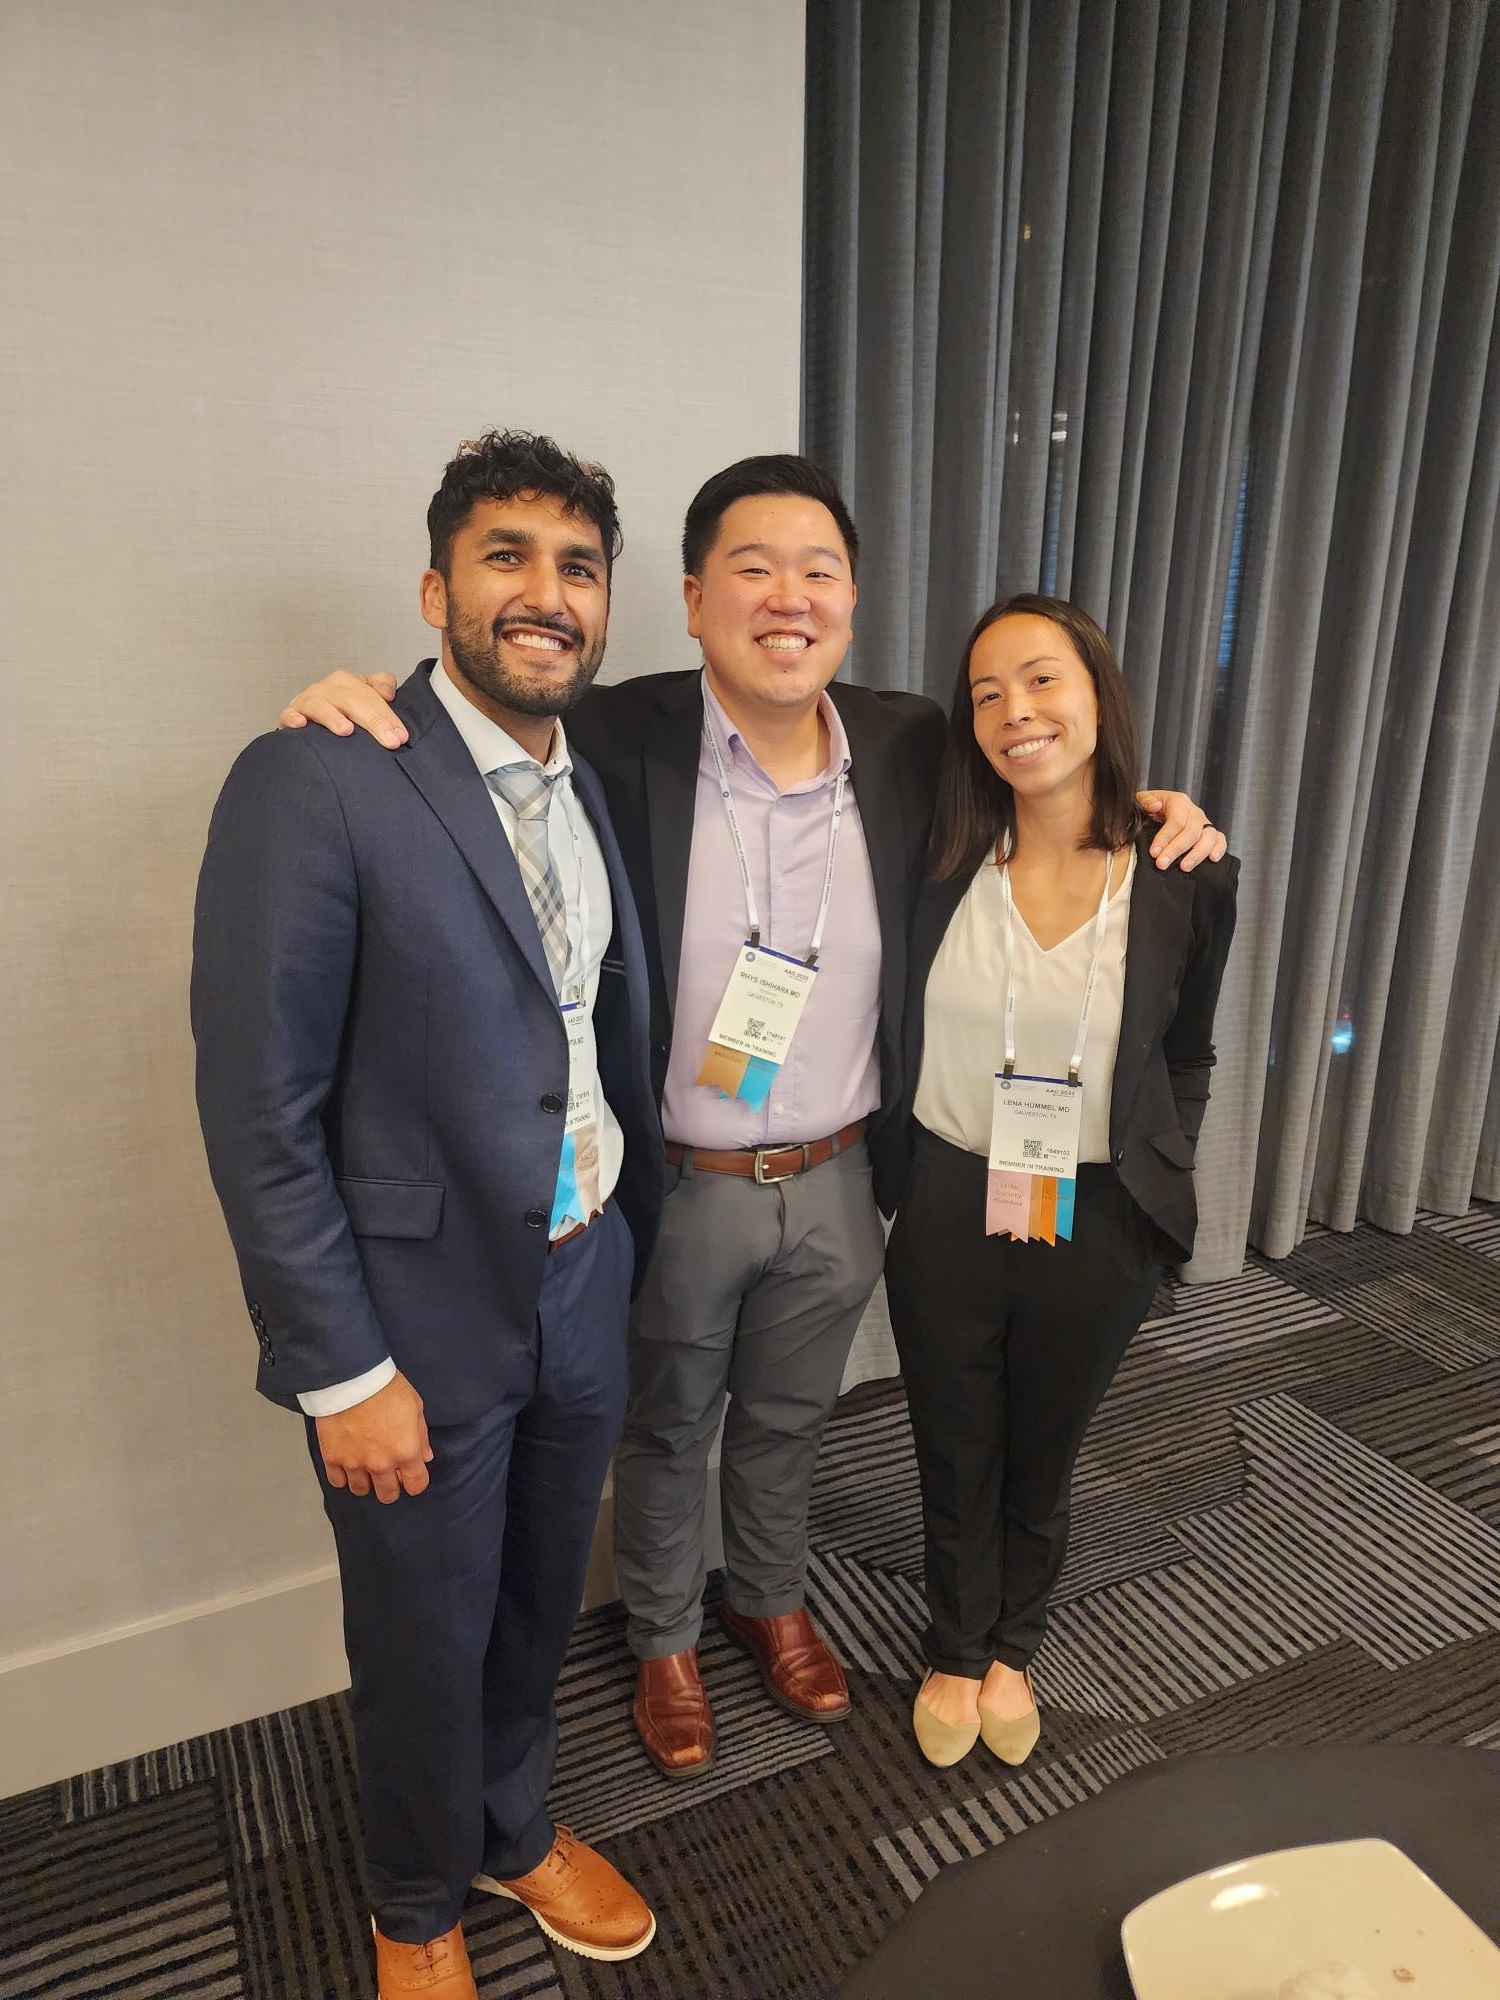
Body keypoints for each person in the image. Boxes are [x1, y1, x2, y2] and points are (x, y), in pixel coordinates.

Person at [279, 458, 1224, 1783]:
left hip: (840, 1174)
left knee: (791, 1414)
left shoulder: (911, 744)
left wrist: (1163, 809)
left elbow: (1051, 769)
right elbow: (478, 717)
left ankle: (770, 1598)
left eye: (818, 571)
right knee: (668, 1422)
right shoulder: (619, 735)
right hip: (680, 1176)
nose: (790, 597)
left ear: (851, 602)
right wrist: (361, 702)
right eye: (754, 568)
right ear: (692, 599)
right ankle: (664, 1635)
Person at [192, 432, 662, 1999]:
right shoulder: (318, 776)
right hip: (414, 1315)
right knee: (418, 1632)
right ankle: (413, 1904)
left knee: (539, 1598)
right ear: (434, 588)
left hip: (583, 1268)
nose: (546, 593)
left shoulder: (590, 776)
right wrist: (342, 1370)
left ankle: (510, 1828)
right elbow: (258, 1109)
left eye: (578, 567)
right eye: (505, 556)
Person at [874, 594, 1238, 1770]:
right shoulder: (935, 853)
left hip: (1099, 1209)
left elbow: (1191, 1051)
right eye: (986, 693)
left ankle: (1015, 1643)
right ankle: (954, 1641)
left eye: (1041, 680)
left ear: (1097, 694)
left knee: (1045, 1444)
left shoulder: (1185, 873)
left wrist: (1162, 1176)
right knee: (952, 1438)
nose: (1015, 711)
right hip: (947, 1196)